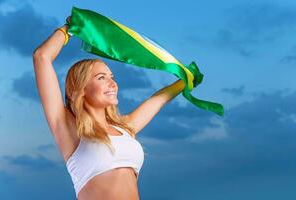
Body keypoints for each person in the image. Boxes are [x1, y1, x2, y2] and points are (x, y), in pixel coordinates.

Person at [32, 16, 185, 200]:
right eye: (101, 77)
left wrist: (185, 81)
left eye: (112, 77)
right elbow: (42, 57)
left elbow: (158, 100)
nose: (112, 83)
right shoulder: (69, 129)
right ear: (81, 89)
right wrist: (69, 29)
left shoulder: (126, 128)